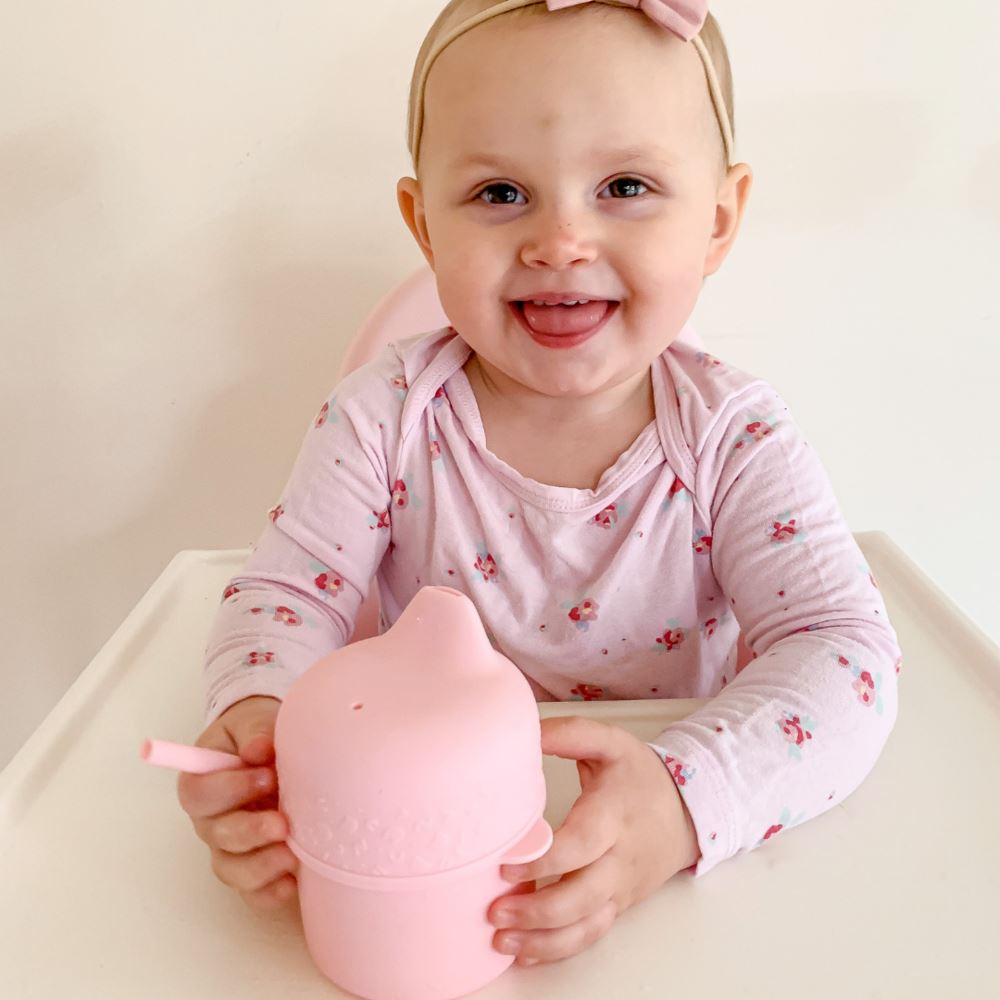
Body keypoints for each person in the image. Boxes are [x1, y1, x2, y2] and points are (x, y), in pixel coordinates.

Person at [177, 0, 902, 969]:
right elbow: (282, 596)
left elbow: (845, 654)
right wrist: (268, 728)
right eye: (500, 194)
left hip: (672, 865)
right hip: (429, 855)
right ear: (422, 223)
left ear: (718, 219)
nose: (560, 240)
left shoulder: (734, 438)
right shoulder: (381, 416)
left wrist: (685, 803)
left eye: (626, 185)